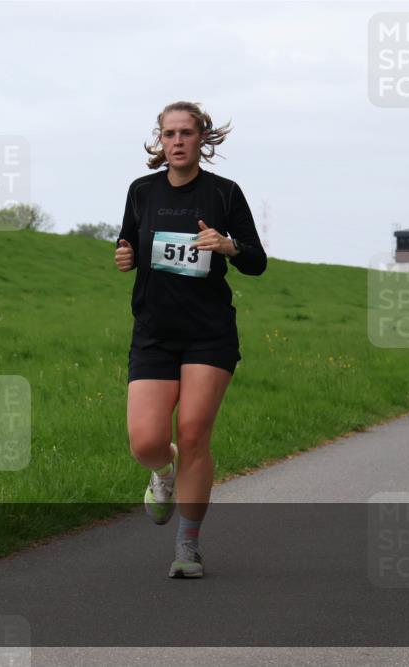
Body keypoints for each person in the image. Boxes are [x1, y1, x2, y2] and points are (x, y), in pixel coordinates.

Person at [114, 101, 266, 578]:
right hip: (154, 332)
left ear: (203, 138)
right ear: (159, 141)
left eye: (186, 133)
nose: (177, 141)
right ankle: (163, 472)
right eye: (169, 134)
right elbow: (128, 241)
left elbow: (257, 261)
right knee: (146, 442)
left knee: (194, 432)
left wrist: (228, 246)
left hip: (208, 334)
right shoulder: (142, 191)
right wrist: (124, 255)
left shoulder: (224, 193)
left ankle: (188, 545)